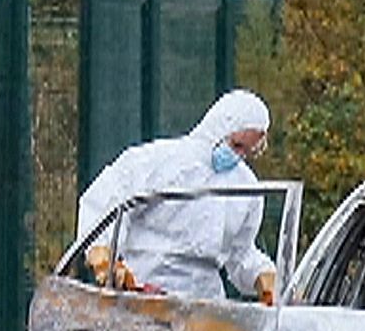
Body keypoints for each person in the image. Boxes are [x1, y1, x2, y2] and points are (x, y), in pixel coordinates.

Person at [76, 88, 277, 304]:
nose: (239, 156)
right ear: (219, 128)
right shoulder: (158, 160)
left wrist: (262, 275)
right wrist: (104, 254)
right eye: (237, 145)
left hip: (205, 311)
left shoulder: (245, 186)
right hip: (140, 297)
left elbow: (240, 253)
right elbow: (107, 202)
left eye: (248, 151)